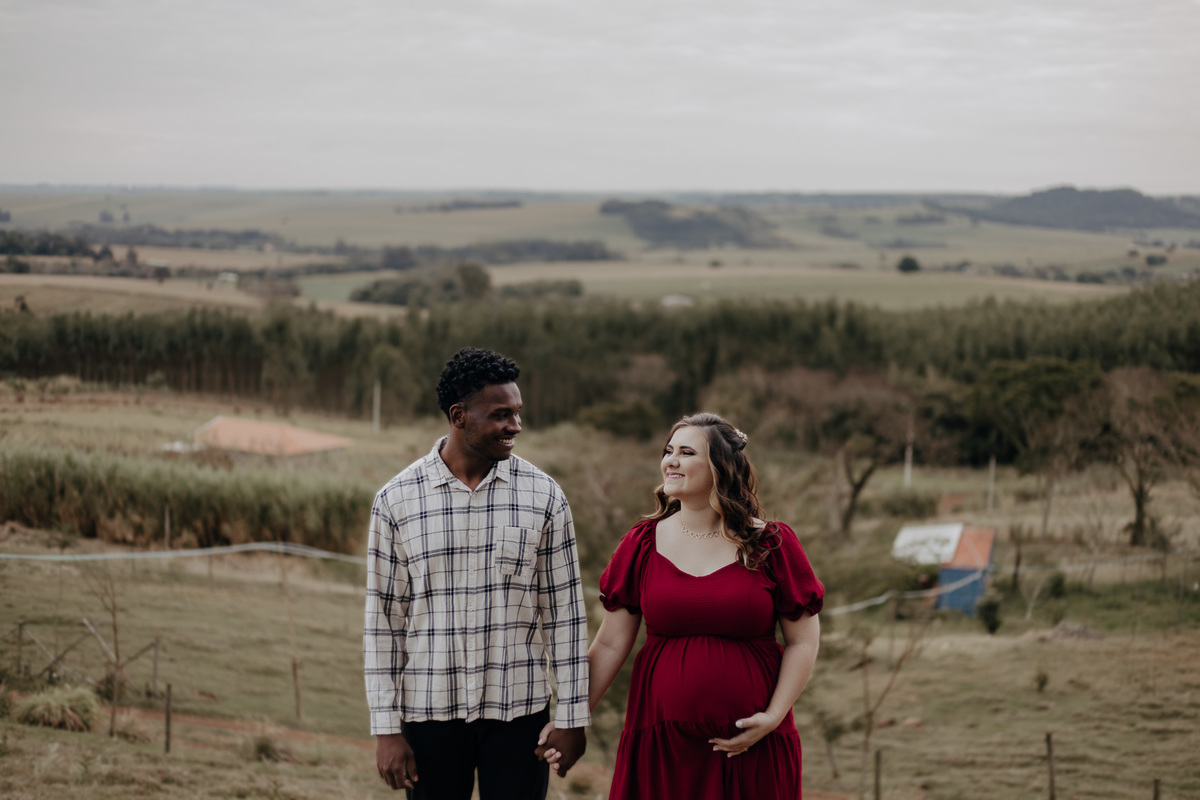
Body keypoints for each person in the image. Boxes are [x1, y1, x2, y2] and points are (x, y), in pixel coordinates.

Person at [548, 412, 823, 799]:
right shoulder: (642, 543)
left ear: (719, 467)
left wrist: (773, 718)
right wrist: (571, 717)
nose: (670, 461)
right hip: (662, 745)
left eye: (686, 452)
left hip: (751, 743)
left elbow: (803, 642)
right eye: (668, 451)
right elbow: (610, 644)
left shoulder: (771, 544)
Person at [363, 347, 589, 799]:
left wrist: (571, 717)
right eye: (501, 414)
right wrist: (386, 729)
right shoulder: (396, 501)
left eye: (518, 413)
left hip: (520, 716)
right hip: (428, 714)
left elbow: (565, 616)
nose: (515, 426)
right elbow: (383, 623)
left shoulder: (545, 497)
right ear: (459, 416)